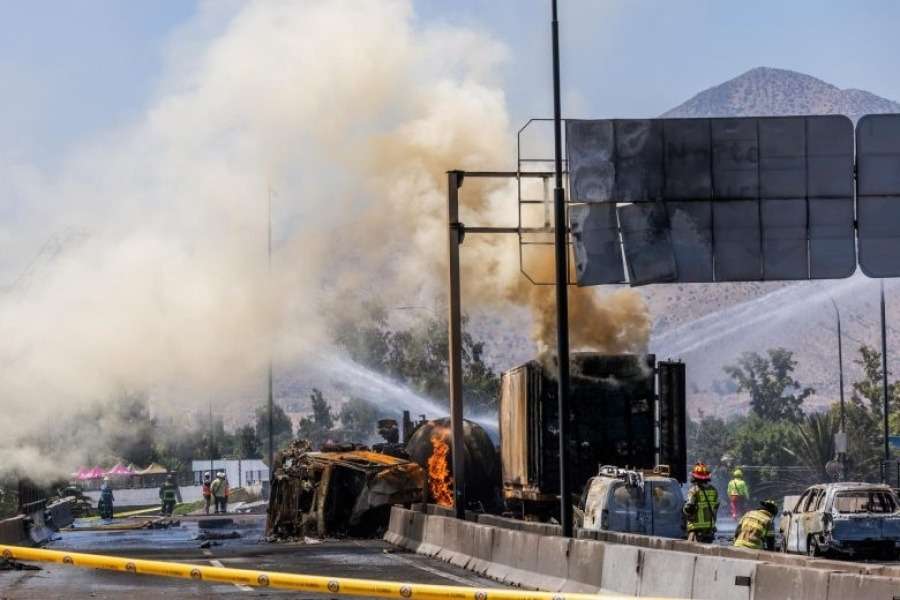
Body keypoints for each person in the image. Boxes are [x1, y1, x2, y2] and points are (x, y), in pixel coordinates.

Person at [683, 462, 719, 543]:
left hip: (695, 528)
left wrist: (683, 509)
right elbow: (715, 508)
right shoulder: (714, 490)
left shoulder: (694, 490)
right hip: (709, 528)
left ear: (694, 477)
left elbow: (689, 508)